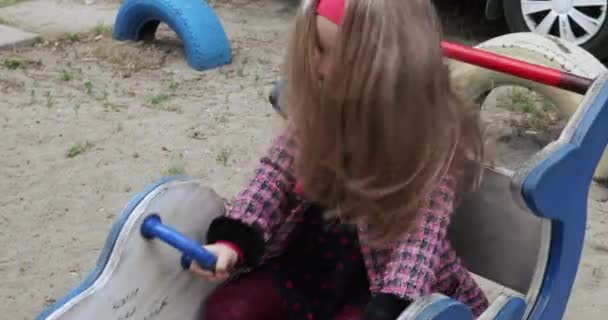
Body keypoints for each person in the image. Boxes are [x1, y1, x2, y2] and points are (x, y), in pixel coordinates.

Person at [191, 0, 490, 319]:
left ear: (387, 66)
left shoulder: (430, 139)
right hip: (309, 262)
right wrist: (234, 239)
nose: (319, 65)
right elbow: (273, 177)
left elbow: (419, 237)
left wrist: (393, 303)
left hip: (377, 280)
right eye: (316, 47)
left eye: (337, 54)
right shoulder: (321, 105)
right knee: (229, 310)